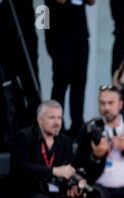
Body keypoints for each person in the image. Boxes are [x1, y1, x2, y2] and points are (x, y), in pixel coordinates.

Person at [45, 0, 96, 138]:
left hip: (81, 34)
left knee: (79, 82)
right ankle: (55, 124)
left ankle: (77, 125)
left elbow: (92, 2)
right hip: (59, 34)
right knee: (61, 82)